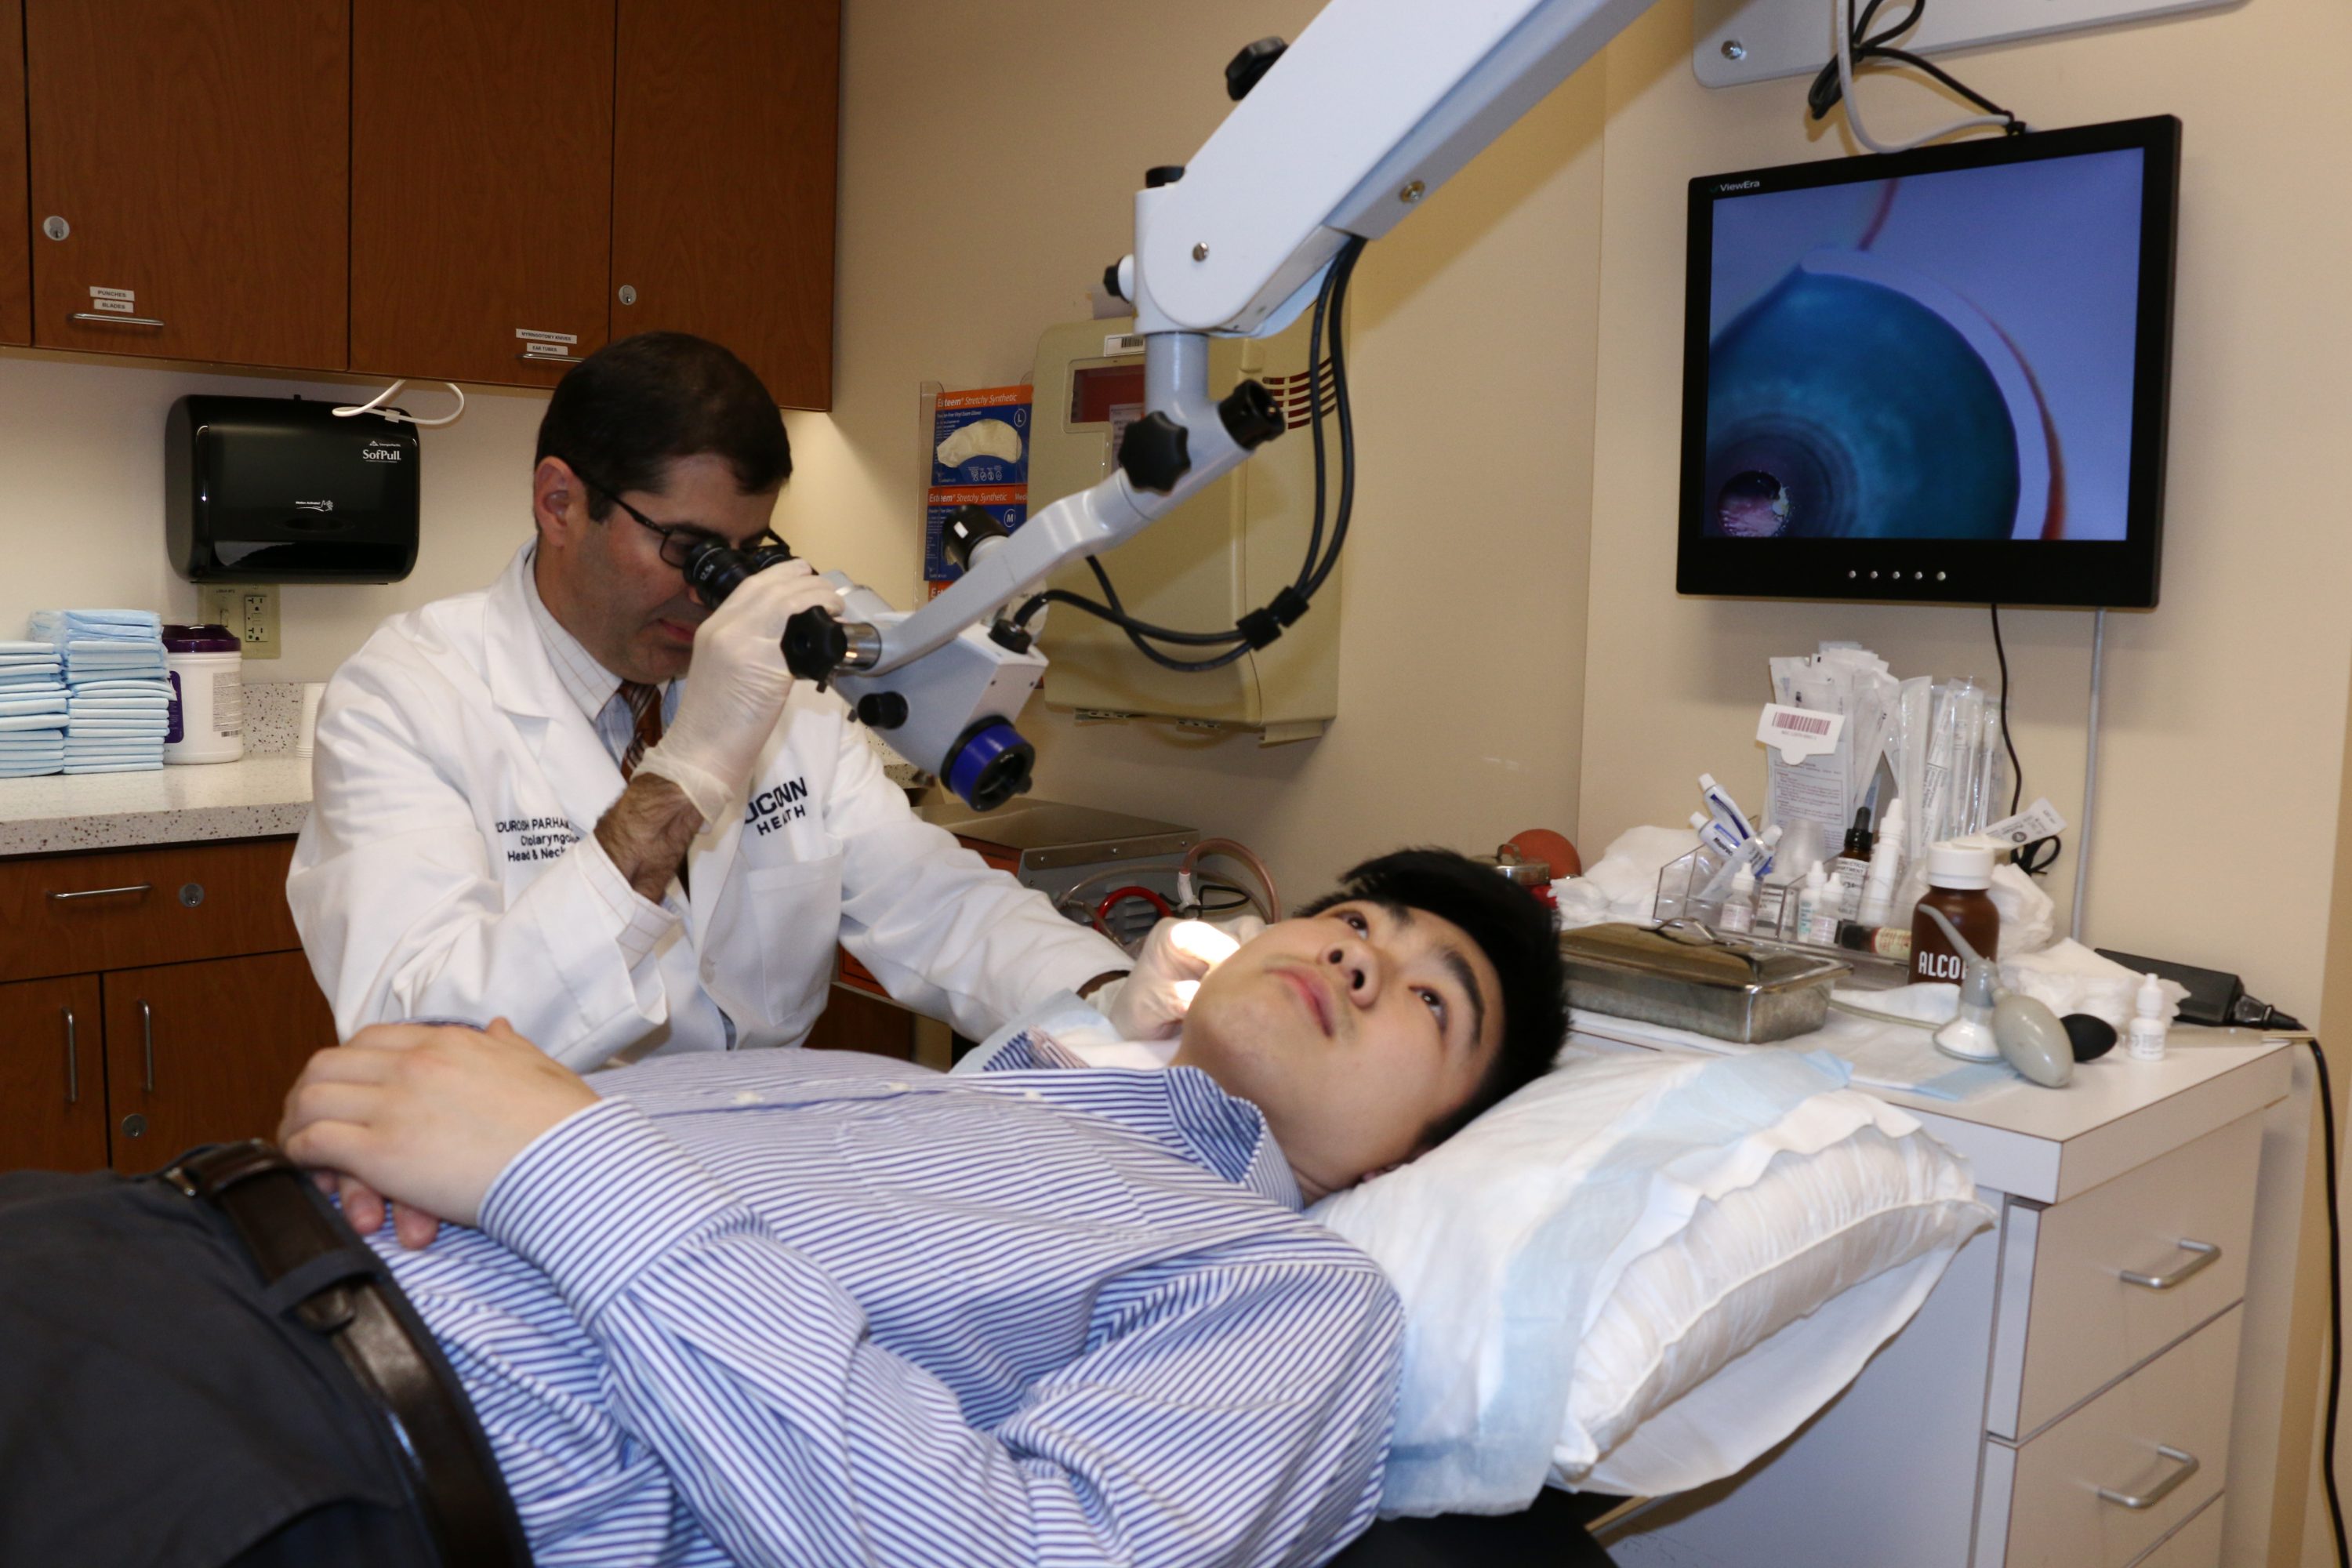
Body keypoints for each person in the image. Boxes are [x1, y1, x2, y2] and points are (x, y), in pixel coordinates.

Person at [0, 851, 1568, 1568]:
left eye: (1434, 997)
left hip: (285, 1441)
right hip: (143, 1238)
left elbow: (1030, 1550)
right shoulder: (960, 1091)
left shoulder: (1284, 1283)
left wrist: (560, 1164)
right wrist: (392, 1142)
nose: (1365, 952)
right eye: (1357, 915)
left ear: (1406, 1157)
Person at [287, 332, 1164, 1071]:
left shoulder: (785, 694)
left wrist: (1117, 997)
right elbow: (421, 1037)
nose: (718, 594)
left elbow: (936, 904)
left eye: (746, 552)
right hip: (533, 1176)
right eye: (688, 547)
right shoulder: (406, 695)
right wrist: (688, 770)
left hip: (754, 1168)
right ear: (560, 503)